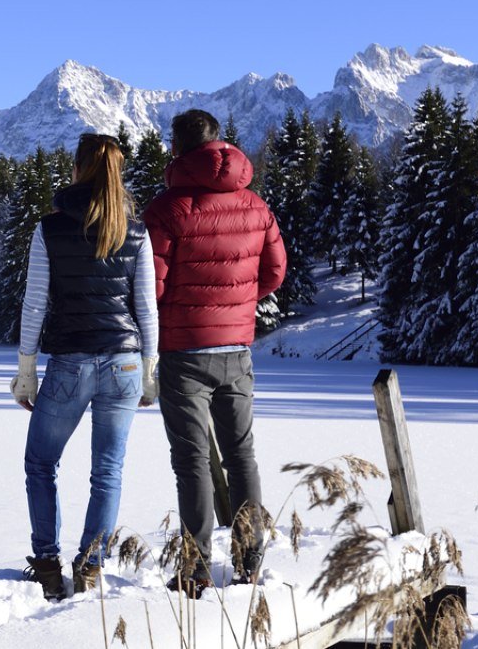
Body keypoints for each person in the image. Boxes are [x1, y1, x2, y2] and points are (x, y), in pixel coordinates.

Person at [140, 109, 286, 595]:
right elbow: (275, 272)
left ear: (177, 148)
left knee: (192, 461)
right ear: (220, 143)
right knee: (241, 456)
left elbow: (152, 287)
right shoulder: (256, 205)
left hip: (184, 352)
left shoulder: (166, 209)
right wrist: (236, 303)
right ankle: (251, 560)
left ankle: (196, 567)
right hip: (237, 350)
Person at [12, 132, 160, 601]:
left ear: (76, 170)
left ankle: (47, 564)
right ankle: (91, 566)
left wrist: (27, 369)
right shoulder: (136, 232)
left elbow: (35, 304)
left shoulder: (49, 229)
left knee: (40, 462)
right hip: (124, 364)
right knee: (107, 471)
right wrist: (149, 369)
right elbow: (146, 308)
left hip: (70, 364)